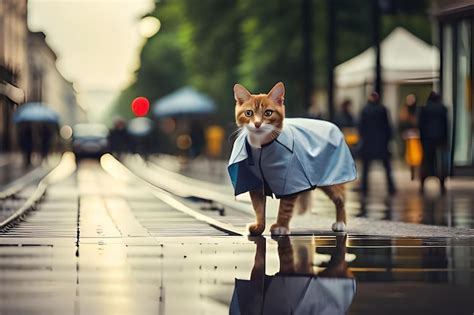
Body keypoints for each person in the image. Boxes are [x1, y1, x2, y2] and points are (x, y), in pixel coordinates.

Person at [358, 91, 396, 196]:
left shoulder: (365, 110)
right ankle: (391, 188)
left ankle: (364, 189)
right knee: (387, 168)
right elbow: (388, 127)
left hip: (368, 144)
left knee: (365, 169)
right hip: (381, 144)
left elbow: (361, 127)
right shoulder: (382, 109)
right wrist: (388, 140)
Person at [418, 91, 449, 194]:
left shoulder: (424, 109)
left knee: (426, 162)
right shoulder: (442, 109)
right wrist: (446, 140)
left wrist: (422, 140)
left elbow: (421, 126)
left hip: (427, 139)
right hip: (440, 138)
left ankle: (422, 183)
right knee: (440, 162)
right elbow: (446, 126)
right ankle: (442, 183)